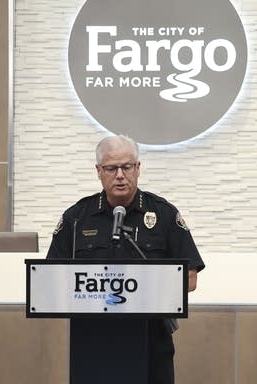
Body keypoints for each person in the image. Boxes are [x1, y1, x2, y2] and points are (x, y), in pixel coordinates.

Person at [47, 134, 205, 384]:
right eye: (111, 168)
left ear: (138, 168)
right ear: (99, 171)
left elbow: (190, 278)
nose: (120, 175)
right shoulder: (77, 218)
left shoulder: (163, 214)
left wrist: (141, 290)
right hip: (92, 343)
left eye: (127, 167)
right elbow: (51, 279)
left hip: (151, 341)